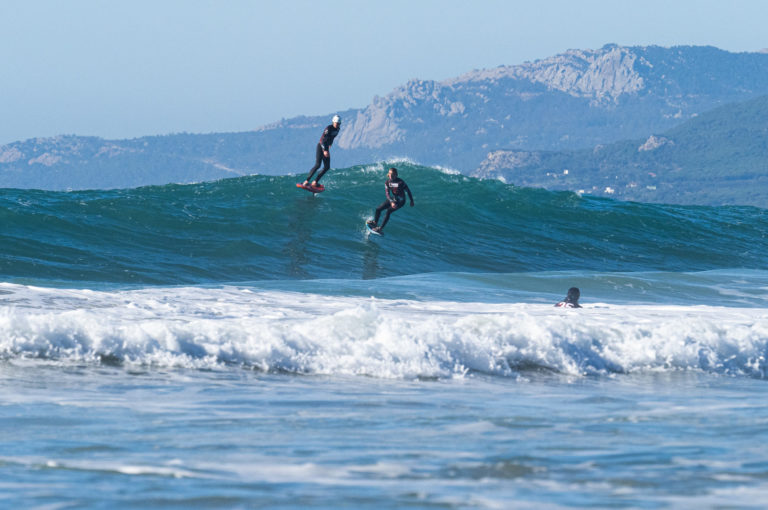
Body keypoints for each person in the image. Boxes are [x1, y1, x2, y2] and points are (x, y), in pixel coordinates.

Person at [367, 167, 414, 233]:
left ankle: (380, 228)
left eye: (393, 174)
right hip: (393, 198)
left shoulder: (401, 182)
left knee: (388, 211)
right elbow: (387, 194)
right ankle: (375, 222)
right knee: (378, 209)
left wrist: (411, 200)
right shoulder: (387, 183)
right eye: (389, 173)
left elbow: (408, 191)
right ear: (388, 174)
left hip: (401, 201)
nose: (391, 175)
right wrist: (392, 202)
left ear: (396, 175)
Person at [303, 115, 341, 188]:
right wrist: (325, 150)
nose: (337, 125)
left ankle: (315, 182)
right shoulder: (328, 128)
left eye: (339, 123)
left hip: (327, 147)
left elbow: (332, 138)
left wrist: (330, 145)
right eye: (336, 123)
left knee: (327, 167)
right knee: (318, 165)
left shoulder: (338, 129)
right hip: (321, 146)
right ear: (333, 122)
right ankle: (306, 181)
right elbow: (323, 140)